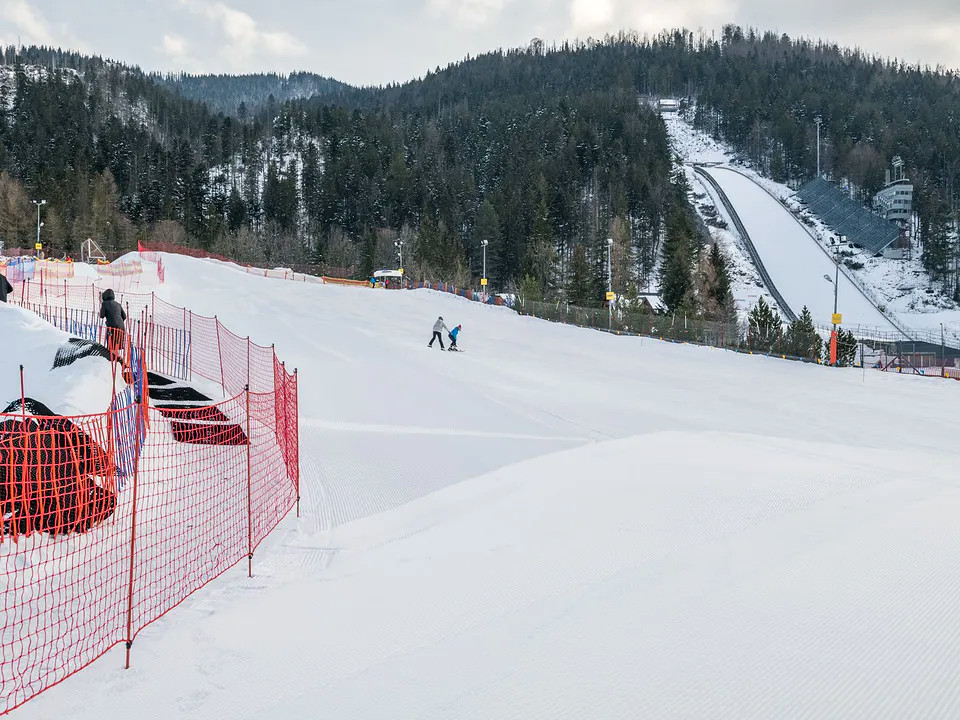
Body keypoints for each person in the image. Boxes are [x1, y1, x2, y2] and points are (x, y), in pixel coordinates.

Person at [99, 289, 127, 365]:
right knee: (116, 347)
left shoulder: (104, 303)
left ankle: (119, 362)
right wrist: (118, 322)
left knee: (111, 347)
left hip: (112, 328)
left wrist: (111, 320)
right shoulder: (118, 304)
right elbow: (124, 316)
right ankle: (120, 362)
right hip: (121, 328)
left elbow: (101, 315)